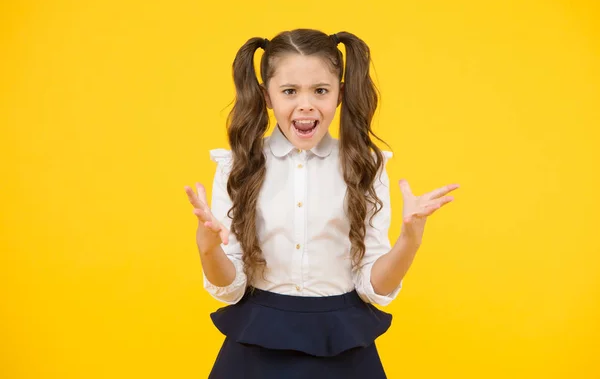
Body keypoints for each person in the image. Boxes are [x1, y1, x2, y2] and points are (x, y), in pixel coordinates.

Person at [184, 28, 459, 378]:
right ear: (267, 96)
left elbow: (374, 287)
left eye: (320, 90)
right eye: (289, 91)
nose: (305, 104)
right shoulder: (237, 167)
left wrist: (410, 240)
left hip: (343, 345)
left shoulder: (365, 166)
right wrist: (209, 250)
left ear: (339, 94)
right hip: (256, 343)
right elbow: (230, 286)